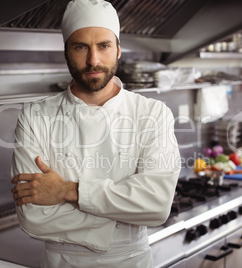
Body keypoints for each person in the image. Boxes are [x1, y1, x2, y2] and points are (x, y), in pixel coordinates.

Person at [10, 0, 181, 267]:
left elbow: (157, 205)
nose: (93, 60)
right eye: (81, 47)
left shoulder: (152, 113)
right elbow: (33, 217)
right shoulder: (35, 116)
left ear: (118, 50)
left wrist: (67, 191)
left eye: (104, 46)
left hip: (131, 260)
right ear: (66, 51)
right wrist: (121, 214)